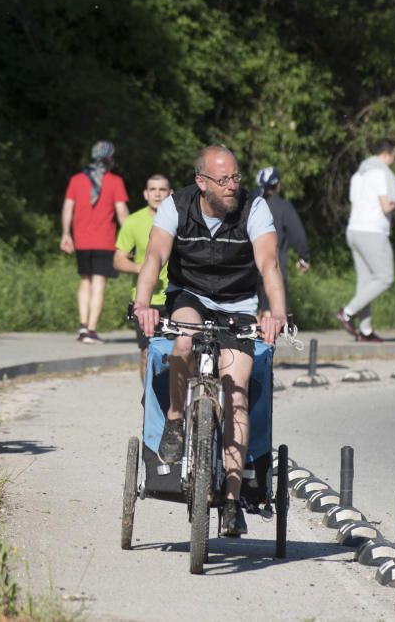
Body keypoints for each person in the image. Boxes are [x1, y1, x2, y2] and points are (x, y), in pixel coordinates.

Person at [134, 144, 287, 537]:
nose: (233, 185)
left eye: (236, 176)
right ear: (201, 183)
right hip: (189, 296)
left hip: (238, 303)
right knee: (182, 342)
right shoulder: (176, 206)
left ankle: (233, 503)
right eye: (223, 179)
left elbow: (268, 263)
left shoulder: (254, 209)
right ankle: (174, 419)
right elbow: (154, 258)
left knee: (236, 395)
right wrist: (143, 304)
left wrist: (276, 312)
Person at [335, 138, 395, 343]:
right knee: (385, 277)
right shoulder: (380, 173)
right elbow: (386, 206)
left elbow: (357, 202)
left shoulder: (358, 174)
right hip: (372, 231)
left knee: (365, 282)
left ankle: (365, 330)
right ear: (387, 154)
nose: (394, 160)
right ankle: (347, 312)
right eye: (394, 155)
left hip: (353, 230)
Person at [60, 141, 129, 344]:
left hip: (81, 239)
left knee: (84, 281)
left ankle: (82, 327)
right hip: (104, 240)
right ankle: (91, 329)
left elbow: (67, 208)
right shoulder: (115, 182)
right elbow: (122, 213)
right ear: (109, 159)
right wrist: (130, 239)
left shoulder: (76, 180)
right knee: (98, 282)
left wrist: (66, 234)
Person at [113, 174, 173, 380]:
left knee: (179, 355)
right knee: (147, 354)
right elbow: (118, 260)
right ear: (145, 194)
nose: (157, 194)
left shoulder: (181, 220)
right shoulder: (133, 221)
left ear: (170, 193)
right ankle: (151, 404)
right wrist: (142, 269)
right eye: (153, 189)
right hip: (146, 301)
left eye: (162, 190)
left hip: (176, 298)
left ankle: (177, 404)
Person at [252, 166, 310, 318]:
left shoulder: (252, 204)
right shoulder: (283, 206)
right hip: (274, 268)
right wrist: (304, 257)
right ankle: (267, 338)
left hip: (250, 268)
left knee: (254, 312)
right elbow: (297, 235)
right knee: (271, 314)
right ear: (278, 185)